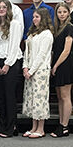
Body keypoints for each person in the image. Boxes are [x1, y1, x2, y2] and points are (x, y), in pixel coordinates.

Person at [0, 0, 23, 137]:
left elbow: (14, 45)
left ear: (9, 9)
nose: (1, 9)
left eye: (4, 7)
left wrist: (7, 64)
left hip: (11, 61)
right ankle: (3, 125)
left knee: (9, 95)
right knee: (0, 96)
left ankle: (11, 127)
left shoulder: (15, 24)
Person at [21, 8, 53, 139]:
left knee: (40, 99)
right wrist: (25, 67)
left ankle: (41, 128)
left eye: (37, 17)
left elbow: (41, 55)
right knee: (32, 99)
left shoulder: (47, 34)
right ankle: (33, 126)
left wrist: (32, 70)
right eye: (33, 17)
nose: (34, 19)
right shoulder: (32, 33)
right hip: (30, 70)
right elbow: (27, 52)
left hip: (40, 71)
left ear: (43, 18)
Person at [50, 3, 73, 137]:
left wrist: (55, 65)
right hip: (57, 63)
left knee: (65, 96)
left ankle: (65, 126)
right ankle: (61, 123)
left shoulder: (69, 28)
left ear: (68, 13)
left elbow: (66, 50)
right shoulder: (57, 28)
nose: (61, 14)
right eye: (59, 12)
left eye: (64, 12)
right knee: (60, 97)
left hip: (65, 64)